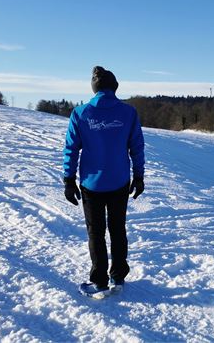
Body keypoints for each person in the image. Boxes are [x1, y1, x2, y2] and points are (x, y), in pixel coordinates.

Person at [63, 66, 145, 297]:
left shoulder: (80, 113)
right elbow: (136, 147)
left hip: (91, 185)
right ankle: (117, 276)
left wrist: (68, 179)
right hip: (120, 181)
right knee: (118, 229)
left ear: (95, 88)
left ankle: (99, 282)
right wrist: (138, 176)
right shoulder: (128, 113)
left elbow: (71, 149)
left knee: (96, 233)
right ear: (114, 87)